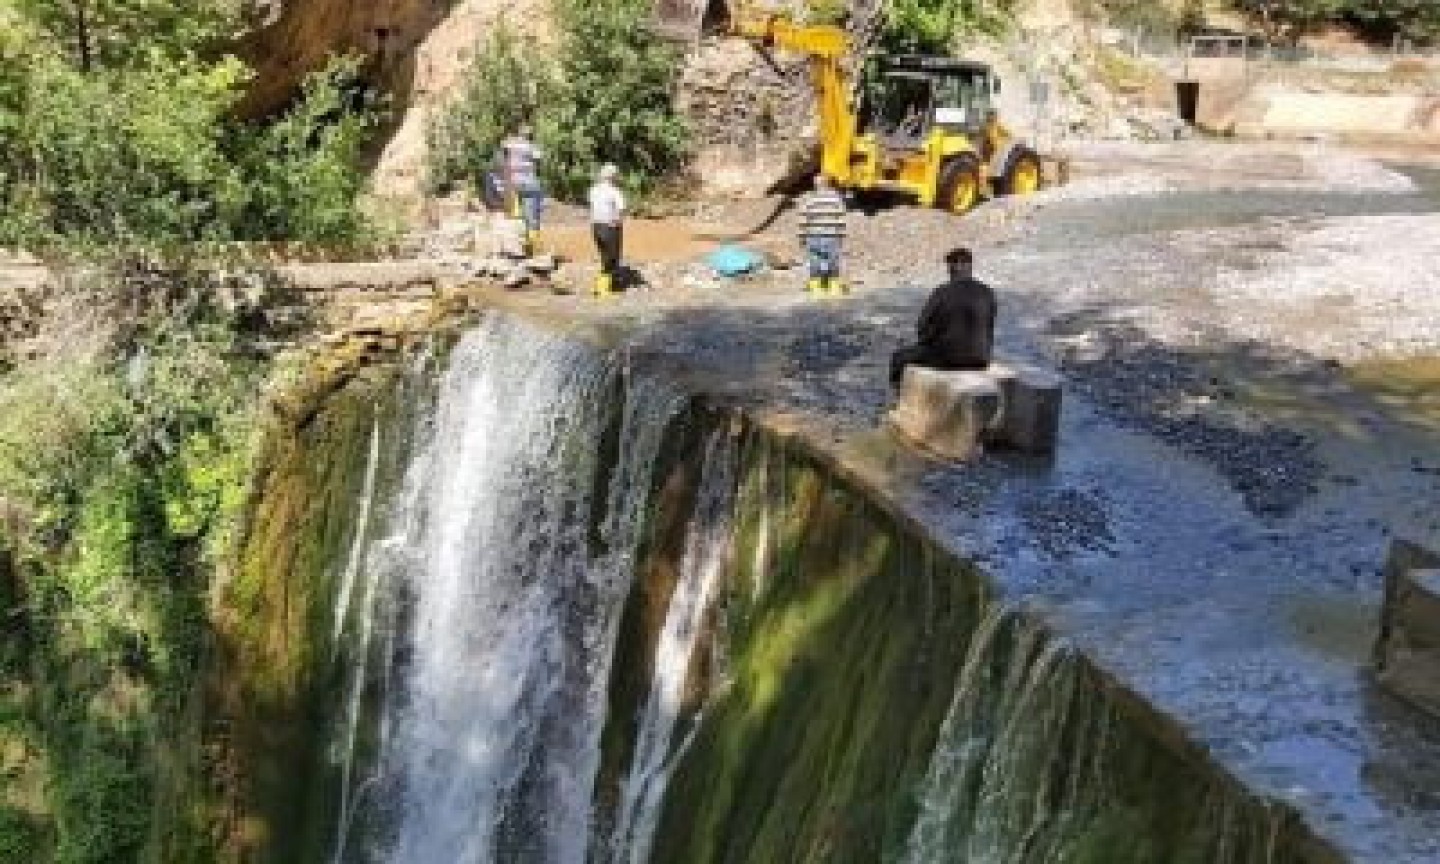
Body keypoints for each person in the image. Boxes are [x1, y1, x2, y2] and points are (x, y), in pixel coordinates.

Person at [890, 247, 996, 387]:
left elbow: (922, 326)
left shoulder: (942, 291)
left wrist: (927, 341)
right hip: (981, 359)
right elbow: (989, 327)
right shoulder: (987, 293)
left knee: (898, 357)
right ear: (970, 267)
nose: (948, 272)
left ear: (954, 267)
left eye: (949, 267)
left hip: (947, 359)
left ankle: (898, 394)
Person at [797, 173, 848, 296]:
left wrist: (802, 235)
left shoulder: (809, 199)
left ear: (815, 185)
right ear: (828, 184)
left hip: (813, 234)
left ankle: (816, 287)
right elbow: (840, 217)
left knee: (815, 259)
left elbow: (804, 218)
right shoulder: (836, 198)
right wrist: (841, 234)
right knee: (833, 259)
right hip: (831, 234)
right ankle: (834, 286)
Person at [500, 123, 544, 250]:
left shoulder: (510, 144)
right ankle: (533, 246)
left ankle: (518, 242)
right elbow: (539, 158)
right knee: (532, 215)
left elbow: (503, 146)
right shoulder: (532, 147)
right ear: (530, 136)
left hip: (514, 184)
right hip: (530, 183)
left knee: (517, 215)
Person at [588, 163, 626, 299]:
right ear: (612, 177)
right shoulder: (614, 191)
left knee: (604, 256)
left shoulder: (593, 190)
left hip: (595, 226)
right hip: (610, 226)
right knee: (612, 258)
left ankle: (601, 287)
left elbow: (593, 206)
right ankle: (602, 289)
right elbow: (621, 209)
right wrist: (618, 222)